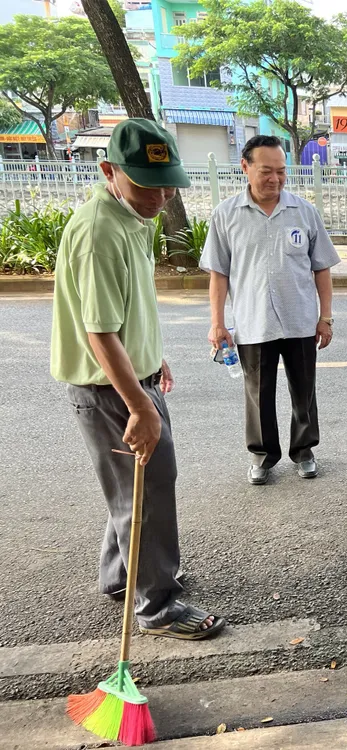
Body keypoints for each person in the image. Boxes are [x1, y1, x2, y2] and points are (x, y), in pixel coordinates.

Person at [50, 118, 224, 640]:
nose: (160, 196)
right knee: (147, 488)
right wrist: (140, 405)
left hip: (132, 376)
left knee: (135, 488)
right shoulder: (99, 231)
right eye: (147, 185)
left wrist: (153, 357)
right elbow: (99, 333)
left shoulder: (131, 218)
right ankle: (156, 604)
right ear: (109, 172)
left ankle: (123, 577)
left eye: (167, 182)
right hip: (110, 390)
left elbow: (128, 312)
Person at [201, 135, 340, 485]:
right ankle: (262, 455)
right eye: (266, 171)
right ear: (245, 167)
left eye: (281, 171)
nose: (274, 179)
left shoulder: (304, 212)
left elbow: (321, 268)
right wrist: (217, 323)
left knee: (304, 390)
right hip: (252, 322)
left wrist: (325, 317)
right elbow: (219, 274)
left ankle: (304, 449)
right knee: (257, 395)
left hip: (300, 321)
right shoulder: (226, 215)